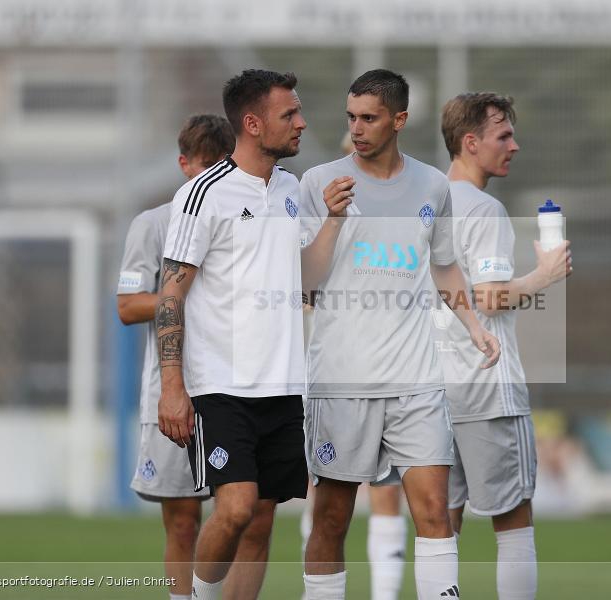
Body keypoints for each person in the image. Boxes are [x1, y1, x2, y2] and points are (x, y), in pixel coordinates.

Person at [299, 69, 501, 600]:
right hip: (342, 381)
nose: (357, 128)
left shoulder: (434, 185)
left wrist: (475, 327)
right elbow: (305, 279)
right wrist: (333, 220)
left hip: (416, 381)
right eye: (351, 118)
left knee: (434, 510)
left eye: (368, 118)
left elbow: (445, 266)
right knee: (332, 518)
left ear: (399, 120)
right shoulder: (319, 181)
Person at [155, 69, 309, 600]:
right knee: (237, 506)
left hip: (284, 385)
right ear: (252, 122)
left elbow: (309, 279)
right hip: (221, 384)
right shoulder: (203, 195)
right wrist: (172, 388)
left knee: (261, 521)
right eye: (289, 114)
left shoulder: (294, 190)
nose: (301, 123)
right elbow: (170, 295)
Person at [120, 114, 276, 600]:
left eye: (219, 166)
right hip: (174, 392)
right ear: (183, 164)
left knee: (247, 518)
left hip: (240, 390)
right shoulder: (154, 224)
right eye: (200, 167)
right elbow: (128, 306)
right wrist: (187, 295)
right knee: (184, 522)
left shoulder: (250, 216)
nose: (209, 178)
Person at [434, 92, 571, 600]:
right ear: (470, 142)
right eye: (504, 136)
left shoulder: (423, 202)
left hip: (429, 390)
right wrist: (546, 273)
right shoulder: (484, 209)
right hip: (486, 387)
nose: (515, 145)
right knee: (513, 520)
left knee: (440, 525)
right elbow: (489, 299)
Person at [299, 130, 411, 600]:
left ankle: (384, 594)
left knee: (387, 490)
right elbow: (305, 287)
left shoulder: (403, 209)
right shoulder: (325, 204)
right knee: (328, 493)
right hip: (334, 372)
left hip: (392, 367)